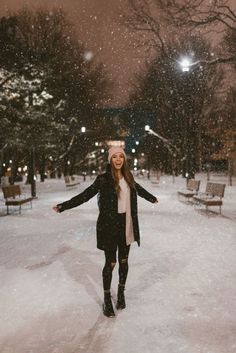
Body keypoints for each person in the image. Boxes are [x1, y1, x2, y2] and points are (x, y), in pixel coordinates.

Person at [53, 147, 158, 317]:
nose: (118, 160)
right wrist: (64, 206)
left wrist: (152, 198)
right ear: (110, 160)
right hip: (109, 225)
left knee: (124, 260)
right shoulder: (103, 179)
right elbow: (85, 195)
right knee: (111, 263)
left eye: (120, 157)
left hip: (127, 224)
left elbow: (139, 190)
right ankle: (107, 298)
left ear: (124, 159)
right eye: (114, 157)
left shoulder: (129, 178)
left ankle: (121, 293)